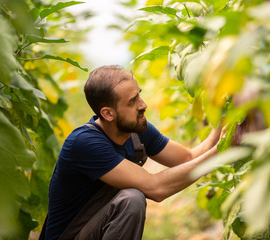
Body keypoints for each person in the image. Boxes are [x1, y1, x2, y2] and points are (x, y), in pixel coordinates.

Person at [42, 65, 221, 240]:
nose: (143, 105)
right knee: (132, 199)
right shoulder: (84, 142)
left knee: (131, 197)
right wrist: (222, 151)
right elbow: (155, 188)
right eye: (132, 101)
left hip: (98, 228)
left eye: (139, 95)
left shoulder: (136, 128)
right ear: (108, 114)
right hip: (72, 235)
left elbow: (188, 158)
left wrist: (224, 123)